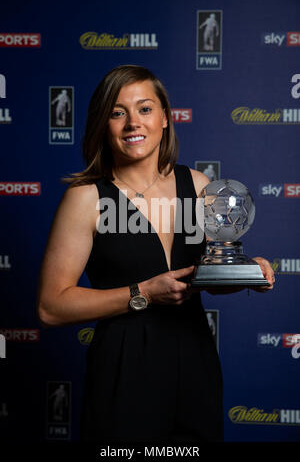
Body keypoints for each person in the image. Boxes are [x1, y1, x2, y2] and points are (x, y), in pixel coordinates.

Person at [37, 65, 275, 443]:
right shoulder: (86, 199)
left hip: (194, 362)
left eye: (145, 109)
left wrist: (248, 272)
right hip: (124, 366)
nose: (133, 123)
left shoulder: (197, 185)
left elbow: (203, 276)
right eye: (118, 112)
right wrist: (143, 293)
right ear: (104, 123)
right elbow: (51, 307)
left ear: (165, 117)